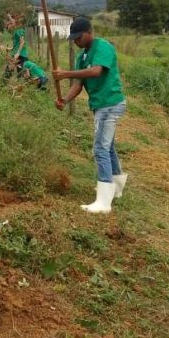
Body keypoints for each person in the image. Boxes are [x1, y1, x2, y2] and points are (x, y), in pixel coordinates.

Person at [53, 17, 127, 213]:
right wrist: (65, 100)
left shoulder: (103, 46)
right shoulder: (82, 57)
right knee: (108, 146)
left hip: (109, 104)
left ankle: (103, 202)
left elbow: (95, 72)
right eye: (73, 39)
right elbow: (78, 86)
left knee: (99, 148)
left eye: (78, 37)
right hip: (101, 105)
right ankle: (116, 187)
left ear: (89, 32)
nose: (76, 42)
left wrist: (66, 73)